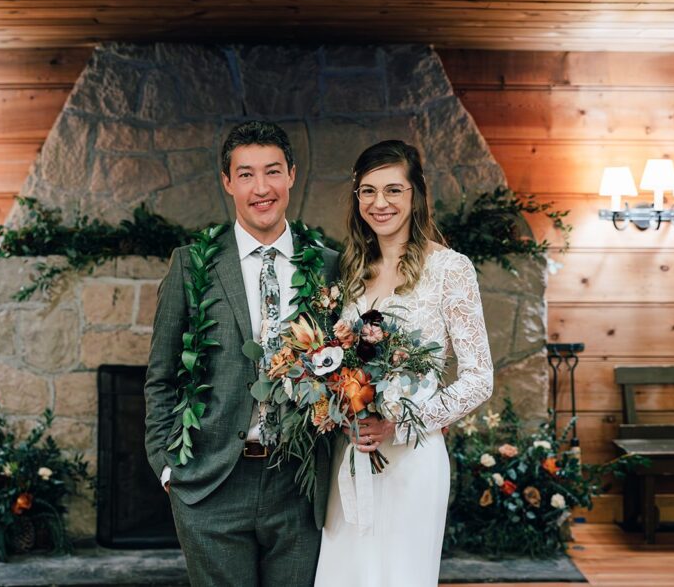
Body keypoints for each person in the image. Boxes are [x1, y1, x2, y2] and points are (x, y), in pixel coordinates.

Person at [145, 121, 340, 587]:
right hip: (212, 483)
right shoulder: (192, 265)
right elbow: (161, 375)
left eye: (272, 172)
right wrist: (167, 466)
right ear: (228, 182)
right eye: (246, 174)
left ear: (292, 175)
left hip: (300, 484)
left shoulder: (331, 265)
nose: (261, 188)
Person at [315, 140, 494, 586]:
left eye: (394, 190)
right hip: (353, 454)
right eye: (368, 191)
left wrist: (402, 423)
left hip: (412, 458)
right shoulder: (351, 270)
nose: (380, 203)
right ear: (357, 199)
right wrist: (335, 406)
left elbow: (478, 379)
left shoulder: (450, 268)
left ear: (416, 195)